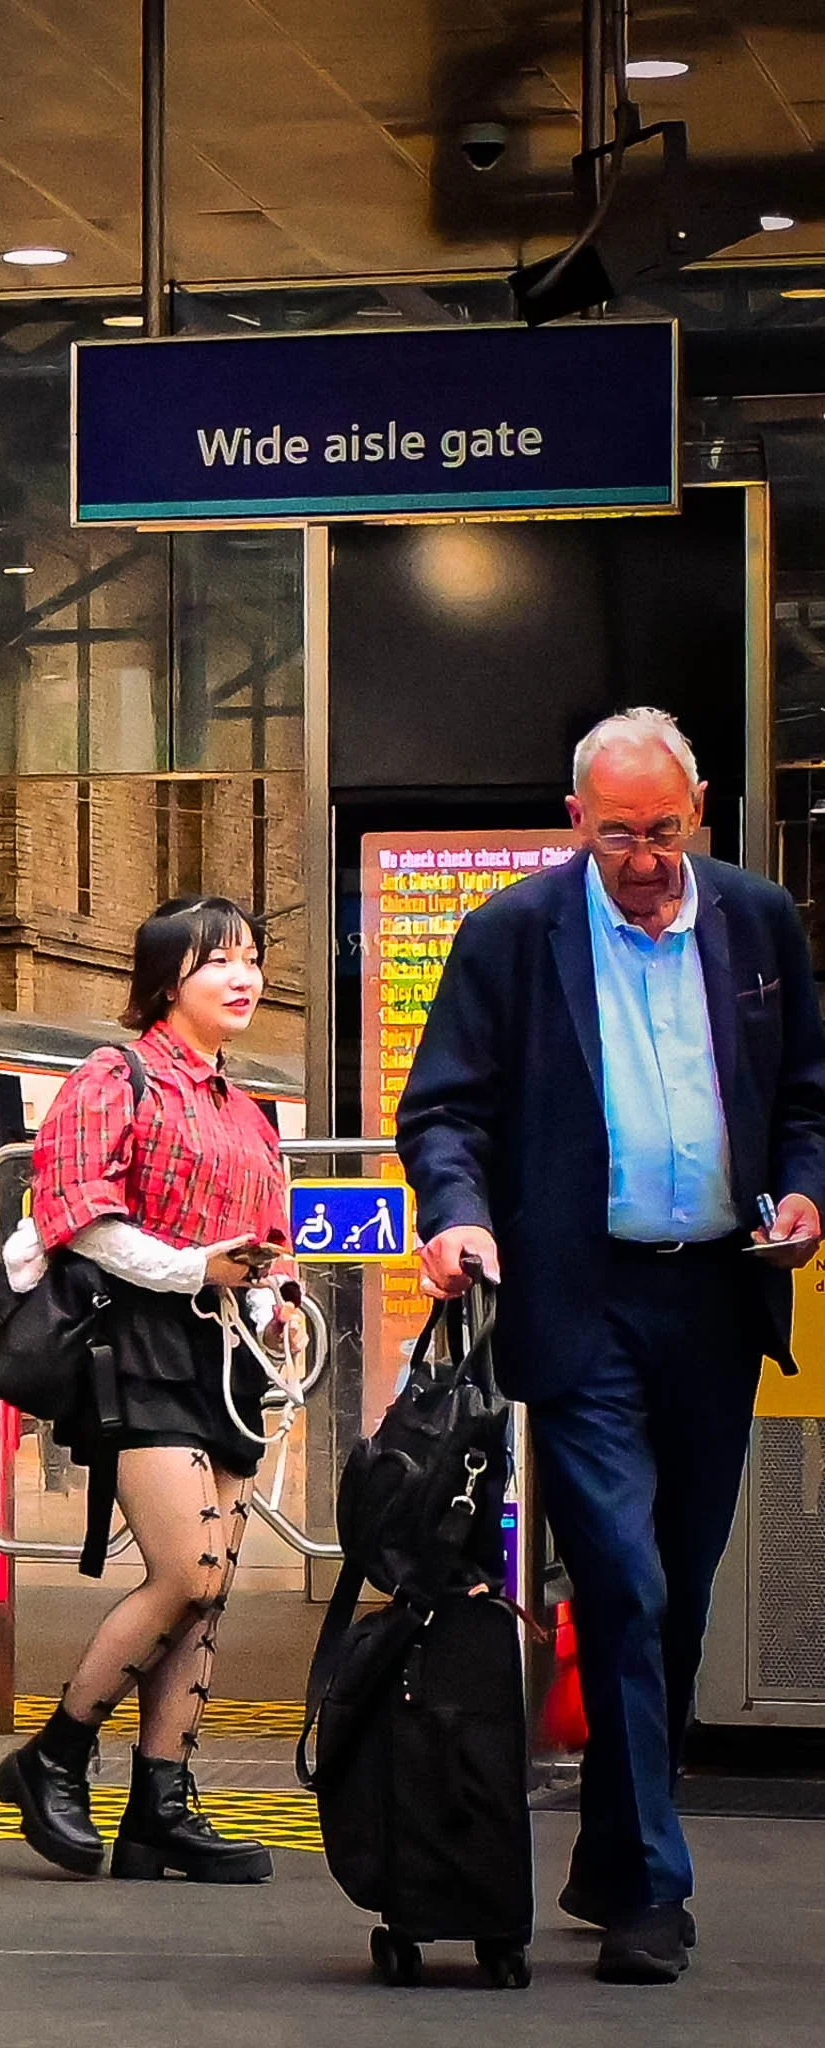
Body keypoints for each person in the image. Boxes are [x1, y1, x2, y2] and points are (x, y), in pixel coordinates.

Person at [397, 707, 825, 1985]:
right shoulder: (514, 934)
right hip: (580, 1307)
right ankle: (648, 1888)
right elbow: (444, 1108)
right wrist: (459, 1218)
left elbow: (803, 1091)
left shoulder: (756, 920)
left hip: (718, 1299)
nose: (644, 855)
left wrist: (804, 1190)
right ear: (574, 819)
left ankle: (608, 1844)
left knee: (674, 1595)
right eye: (617, 831)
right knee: (626, 1583)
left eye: (665, 827)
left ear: (699, 805)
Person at [0, 895, 306, 1884]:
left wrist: (276, 1295)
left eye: (250, 957)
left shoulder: (242, 1105)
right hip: (132, 1342)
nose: (242, 976)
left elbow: (270, 1238)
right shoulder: (110, 1077)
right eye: (219, 960)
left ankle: (159, 1804)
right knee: (189, 1568)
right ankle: (52, 1754)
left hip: (224, 1353)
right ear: (167, 976)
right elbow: (78, 1217)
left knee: (208, 1594)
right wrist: (194, 1268)